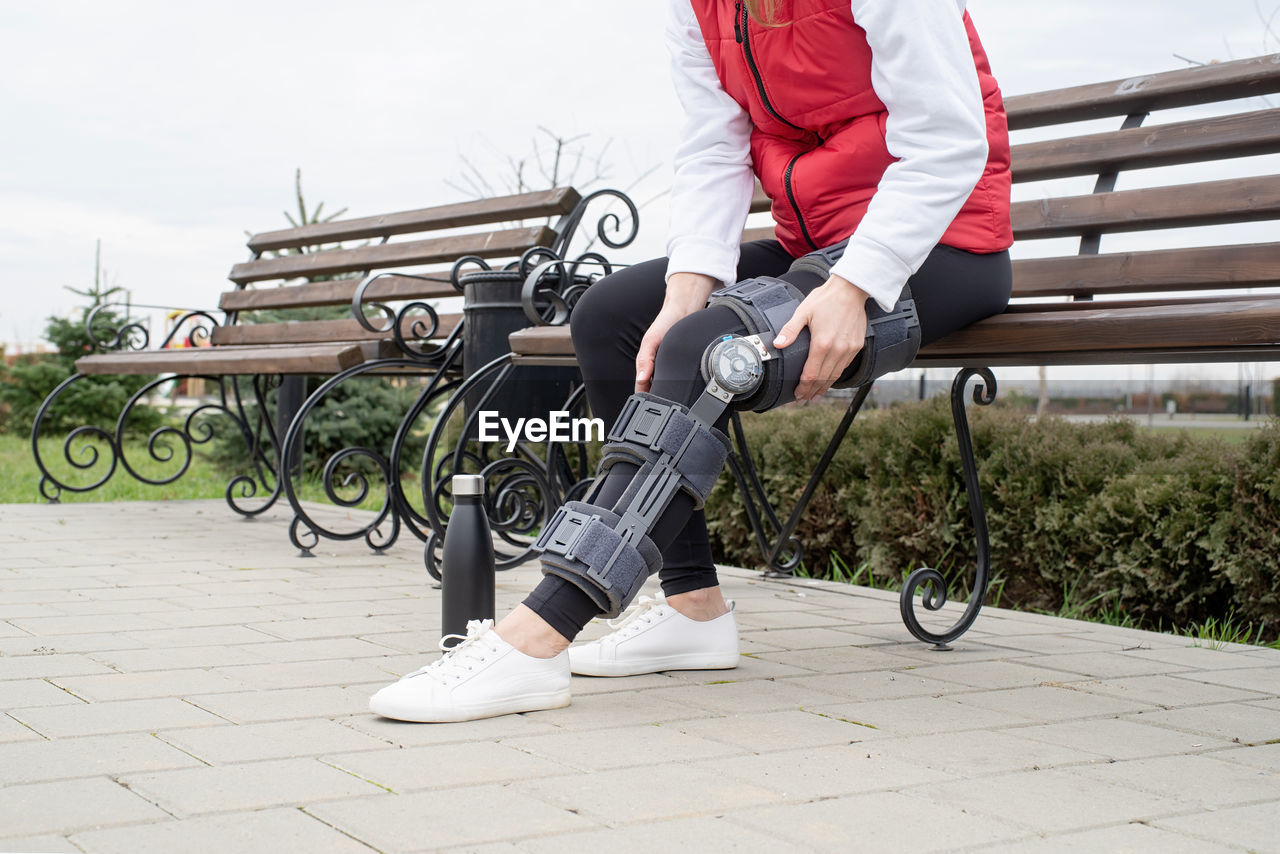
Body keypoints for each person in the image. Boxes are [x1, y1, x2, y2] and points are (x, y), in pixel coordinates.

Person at [369, 0, 1013, 723]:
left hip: (940, 247)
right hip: (818, 248)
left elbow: (949, 137)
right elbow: (715, 144)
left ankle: (540, 633)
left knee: (701, 351)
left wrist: (854, 287)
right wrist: (685, 290)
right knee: (615, 316)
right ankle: (693, 609)